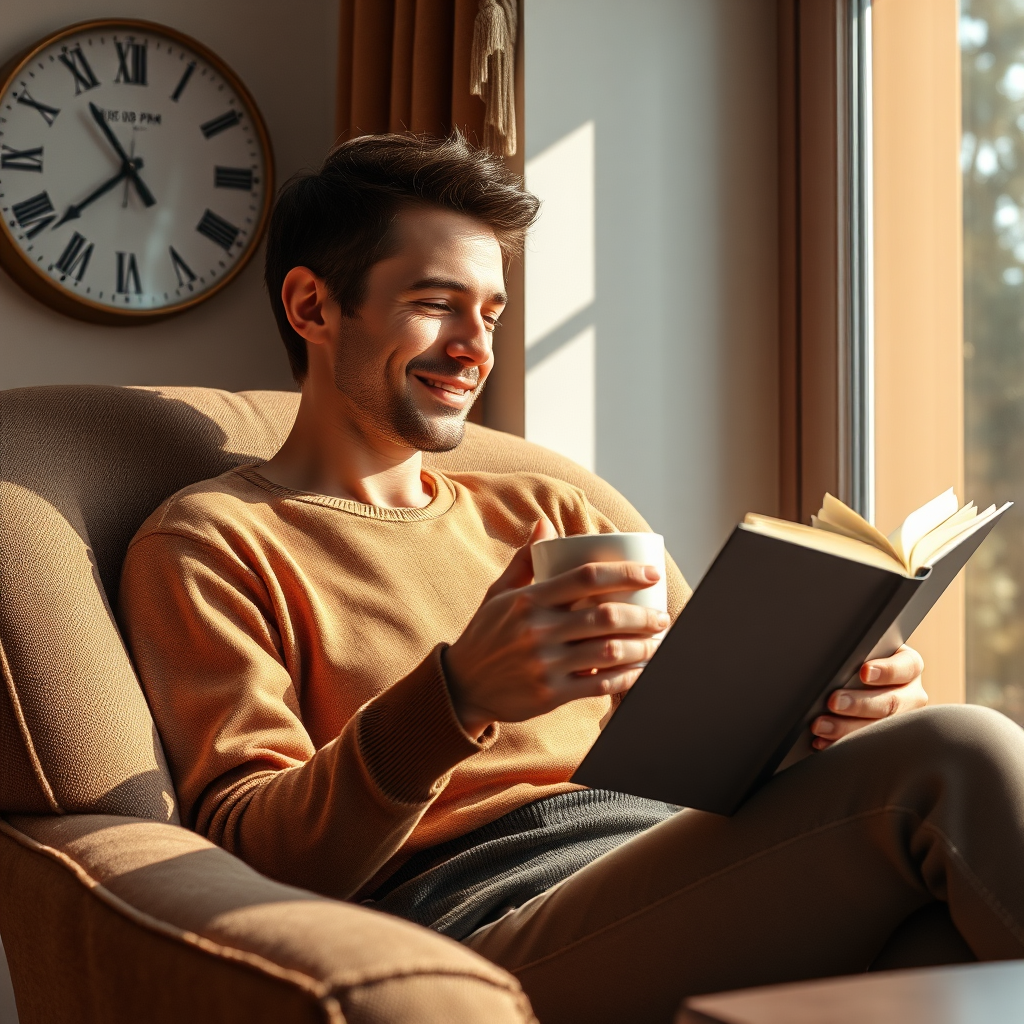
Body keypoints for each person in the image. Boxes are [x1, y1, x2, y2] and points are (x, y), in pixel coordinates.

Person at [118, 134, 1024, 1024]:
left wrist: (851, 713)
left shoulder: (550, 509)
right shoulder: (212, 542)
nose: (476, 347)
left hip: (675, 860)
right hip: (479, 922)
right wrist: (457, 697)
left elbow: (716, 739)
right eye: (437, 304)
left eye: (493, 313)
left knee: (935, 928)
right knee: (960, 753)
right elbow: (246, 852)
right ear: (313, 306)